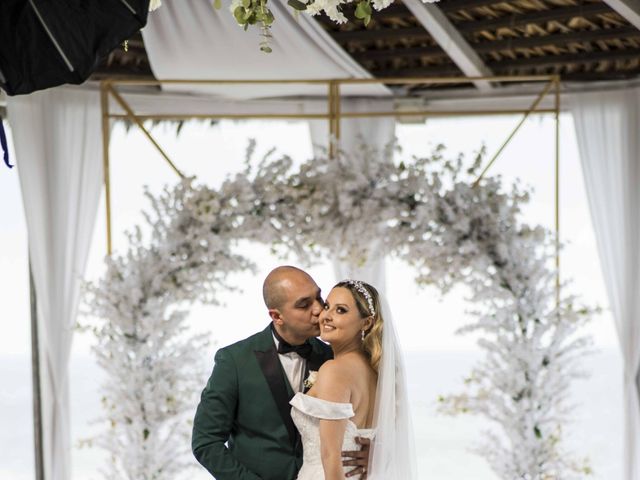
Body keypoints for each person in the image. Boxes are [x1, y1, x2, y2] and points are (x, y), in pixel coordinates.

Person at [192, 266, 370, 480]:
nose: (318, 310)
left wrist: (371, 451)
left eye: (319, 297)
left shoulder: (334, 358)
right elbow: (206, 442)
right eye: (304, 304)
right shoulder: (234, 360)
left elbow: (361, 419)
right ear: (277, 316)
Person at [290, 280, 417, 480]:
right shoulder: (378, 374)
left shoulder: (335, 370)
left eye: (341, 310)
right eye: (327, 306)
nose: (326, 316)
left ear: (366, 322)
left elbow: (330, 456)